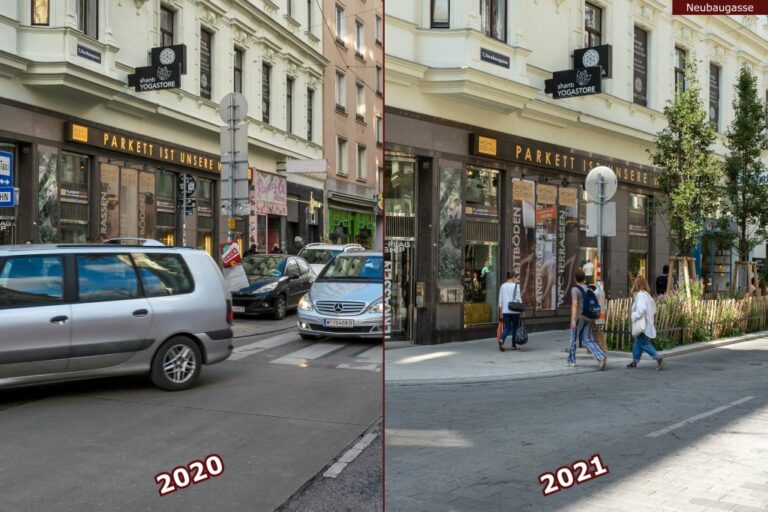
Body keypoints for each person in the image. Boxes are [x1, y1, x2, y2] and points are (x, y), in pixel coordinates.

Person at [568, 268, 606, 369]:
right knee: (588, 338)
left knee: (573, 338)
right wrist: (593, 318)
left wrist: (572, 320)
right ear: (584, 278)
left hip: (579, 317)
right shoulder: (588, 288)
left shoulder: (575, 289)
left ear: (575, 278)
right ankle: (600, 356)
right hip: (589, 317)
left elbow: (575, 304)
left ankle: (572, 361)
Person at [626, 275, 664, 370]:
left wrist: (634, 315)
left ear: (637, 285)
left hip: (641, 324)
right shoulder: (647, 295)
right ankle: (635, 361)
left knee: (643, 343)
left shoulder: (640, 295)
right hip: (646, 323)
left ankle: (657, 357)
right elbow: (653, 309)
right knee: (637, 343)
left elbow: (641, 309)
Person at [497, 271, 523, 352]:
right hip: (515, 310)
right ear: (513, 277)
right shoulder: (516, 286)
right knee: (515, 328)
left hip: (506, 310)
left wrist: (501, 311)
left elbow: (500, 299)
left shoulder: (503, 286)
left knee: (507, 327)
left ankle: (502, 340)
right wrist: (521, 309)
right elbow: (518, 298)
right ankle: (513, 346)